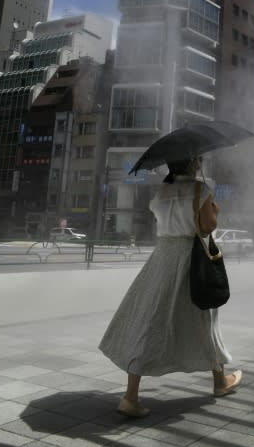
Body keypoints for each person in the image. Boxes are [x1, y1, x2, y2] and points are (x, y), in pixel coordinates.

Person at [99, 156, 242, 418]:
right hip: (191, 260)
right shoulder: (201, 189)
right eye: (198, 159)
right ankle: (220, 382)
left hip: (162, 259)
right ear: (193, 163)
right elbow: (208, 226)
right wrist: (213, 208)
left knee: (150, 319)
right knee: (204, 318)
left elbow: (167, 220)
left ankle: (131, 395)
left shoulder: (162, 192)